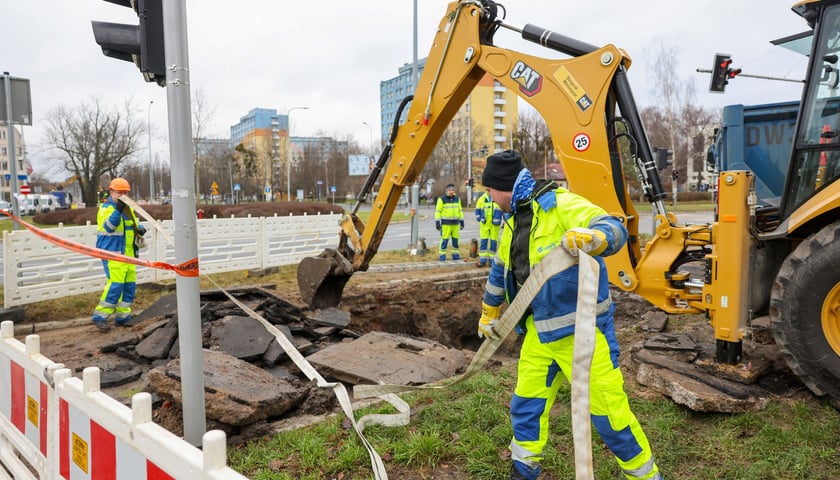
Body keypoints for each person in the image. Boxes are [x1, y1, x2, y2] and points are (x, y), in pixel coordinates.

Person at [478, 150, 662, 480]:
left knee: (612, 420)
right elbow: (499, 272)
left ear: (503, 186)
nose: (488, 197)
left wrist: (596, 237)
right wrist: (489, 313)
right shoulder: (513, 222)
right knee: (526, 407)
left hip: (585, 338)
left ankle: (647, 476)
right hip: (539, 333)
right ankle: (524, 470)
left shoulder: (559, 205)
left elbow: (612, 226)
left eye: (489, 190)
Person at [92, 178, 145, 332]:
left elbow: (133, 224)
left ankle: (123, 317)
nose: (122, 194)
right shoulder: (106, 209)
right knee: (115, 285)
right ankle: (100, 317)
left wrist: (140, 228)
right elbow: (109, 227)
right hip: (112, 254)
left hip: (128, 255)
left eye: (125, 192)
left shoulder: (128, 210)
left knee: (129, 286)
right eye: (119, 192)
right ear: (111, 192)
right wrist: (118, 210)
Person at [434, 183, 464, 261]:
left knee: (455, 240)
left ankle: (455, 255)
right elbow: (438, 211)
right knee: (444, 240)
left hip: (455, 224)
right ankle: (442, 256)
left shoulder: (457, 199)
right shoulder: (442, 199)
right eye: (450, 190)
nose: (451, 191)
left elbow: (460, 211)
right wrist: (437, 222)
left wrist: (462, 221)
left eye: (453, 190)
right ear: (447, 191)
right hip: (446, 224)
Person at [474, 190, 502, 267]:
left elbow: (503, 209)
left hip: (495, 225)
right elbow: (477, 209)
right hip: (485, 224)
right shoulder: (482, 199)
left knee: (493, 242)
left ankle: (492, 260)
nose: (490, 191)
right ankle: (483, 260)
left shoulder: (498, 198)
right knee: (484, 242)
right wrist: (479, 218)